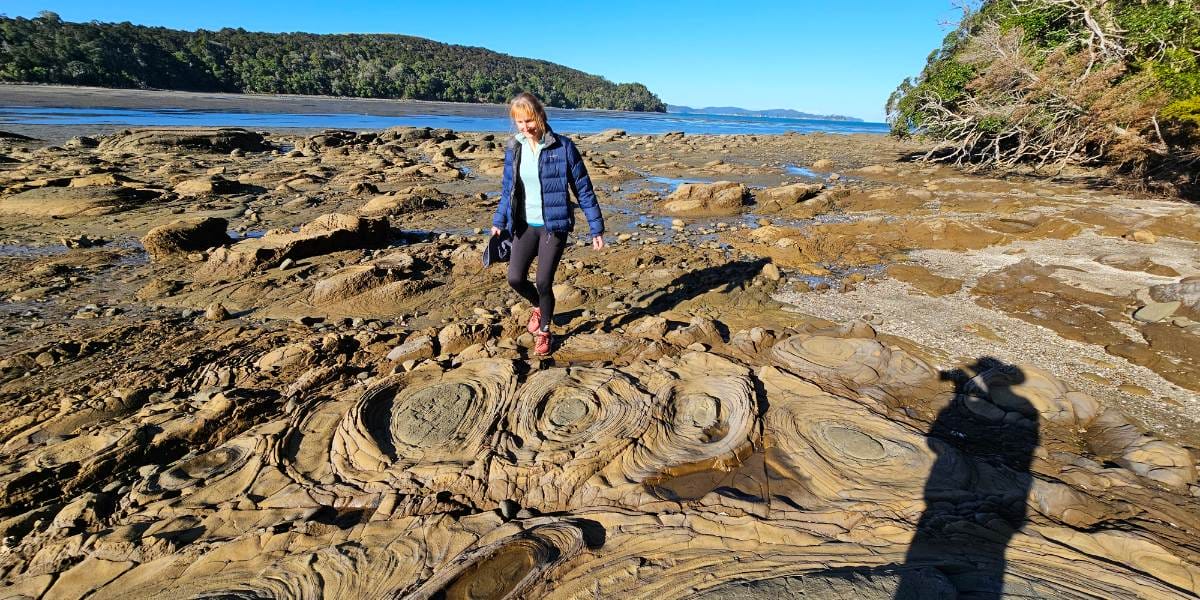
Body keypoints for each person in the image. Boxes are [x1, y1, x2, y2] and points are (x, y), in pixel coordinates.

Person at [491, 92, 605, 356]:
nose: (525, 127)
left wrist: (596, 227)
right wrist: (499, 220)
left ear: (540, 116)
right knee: (515, 278)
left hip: (554, 225)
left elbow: (584, 189)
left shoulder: (563, 147)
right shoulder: (515, 147)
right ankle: (539, 306)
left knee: (543, 281)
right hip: (523, 224)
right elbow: (508, 188)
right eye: (519, 122)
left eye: (528, 120)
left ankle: (544, 332)